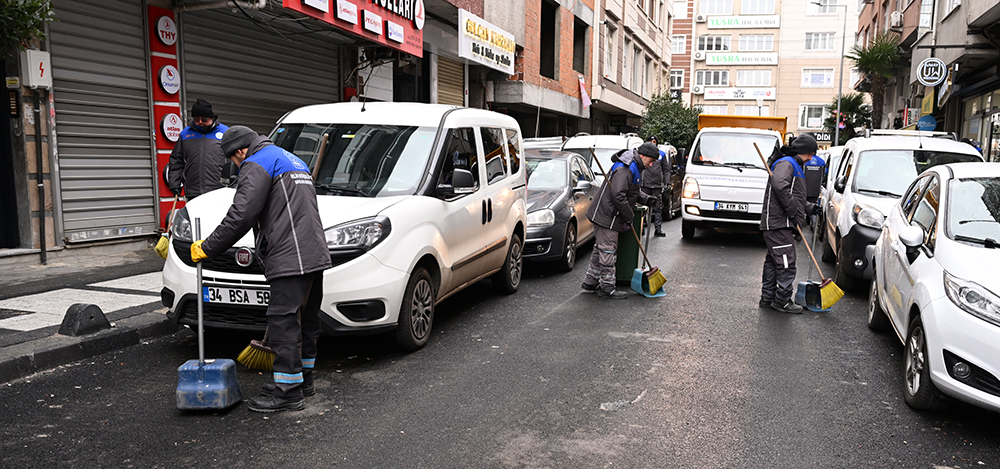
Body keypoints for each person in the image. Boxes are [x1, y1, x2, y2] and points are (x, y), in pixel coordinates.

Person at [190, 125, 332, 412]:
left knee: (283, 321)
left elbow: (241, 214)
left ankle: (288, 392)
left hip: (291, 254)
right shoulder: (293, 160)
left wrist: (208, 247)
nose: (235, 166)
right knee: (306, 319)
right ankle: (303, 380)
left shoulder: (256, 162)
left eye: (233, 161)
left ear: (240, 151)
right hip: (313, 250)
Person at [582, 142, 661, 299]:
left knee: (601, 249)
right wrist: (629, 215)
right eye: (650, 161)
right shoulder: (626, 168)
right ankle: (607, 287)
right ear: (643, 155)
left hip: (606, 214)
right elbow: (618, 195)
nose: (651, 165)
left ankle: (590, 281)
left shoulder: (634, 167)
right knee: (608, 250)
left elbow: (631, 191)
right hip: (608, 216)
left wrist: (646, 199)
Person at [760, 133, 815, 314]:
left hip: (778, 221)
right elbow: (781, 187)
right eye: (811, 154)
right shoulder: (787, 164)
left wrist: (809, 208)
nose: (811, 158)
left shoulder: (791, 164)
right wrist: (792, 213)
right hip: (779, 222)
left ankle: (768, 298)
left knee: (774, 261)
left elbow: (792, 194)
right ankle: (782, 301)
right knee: (785, 261)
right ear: (806, 152)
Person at [163, 99, 230, 200]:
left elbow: (237, 159)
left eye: (204, 119)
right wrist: (175, 184)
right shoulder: (185, 134)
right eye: (196, 119)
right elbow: (176, 160)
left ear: (212, 117)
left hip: (220, 191)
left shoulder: (226, 132)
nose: (200, 122)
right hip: (193, 192)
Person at [641, 137, 669, 237]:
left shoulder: (661, 154)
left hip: (657, 186)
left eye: (654, 142)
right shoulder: (644, 155)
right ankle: (642, 227)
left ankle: (658, 229)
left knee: (657, 208)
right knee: (643, 207)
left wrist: (666, 184)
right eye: (651, 142)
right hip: (645, 184)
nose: (653, 143)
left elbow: (666, 170)